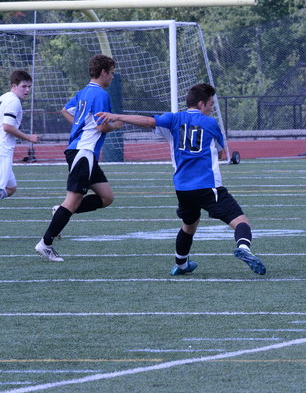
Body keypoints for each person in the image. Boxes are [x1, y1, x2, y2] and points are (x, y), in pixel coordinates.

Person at [95, 83, 266, 276]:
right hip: (207, 186)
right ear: (201, 104)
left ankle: (182, 264)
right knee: (241, 222)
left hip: (183, 189)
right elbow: (220, 153)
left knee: (189, 225)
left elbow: (146, 121)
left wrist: (117, 116)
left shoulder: (173, 119)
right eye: (210, 104)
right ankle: (243, 248)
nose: (211, 108)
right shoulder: (211, 123)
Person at [35, 54, 124, 261]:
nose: (112, 77)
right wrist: (117, 124)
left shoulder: (83, 92)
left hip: (83, 152)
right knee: (73, 200)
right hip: (83, 152)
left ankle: (61, 211)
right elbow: (102, 126)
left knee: (106, 197)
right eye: (111, 73)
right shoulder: (101, 94)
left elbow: (65, 110)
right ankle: (45, 243)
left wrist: (81, 125)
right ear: (103, 72)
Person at [0, 70, 40, 200]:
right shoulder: (14, 102)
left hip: (3, 148)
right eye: (24, 86)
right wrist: (29, 138)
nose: (27, 90)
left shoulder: (4, 97)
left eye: (29, 86)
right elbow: (7, 127)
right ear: (14, 86)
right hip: (3, 150)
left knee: (11, 188)